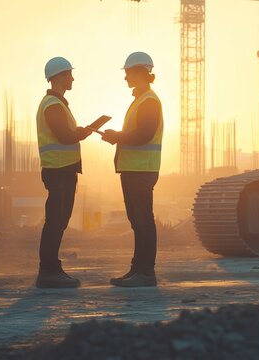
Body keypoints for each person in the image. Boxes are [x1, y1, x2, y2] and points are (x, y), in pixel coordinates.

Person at [102, 51, 163, 287]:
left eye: (127, 73)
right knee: (137, 221)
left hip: (141, 170)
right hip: (133, 169)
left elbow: (144, 135)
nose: (125, 78)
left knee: (143, 220)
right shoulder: (141, 100)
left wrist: (118, 137)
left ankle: (146, 272)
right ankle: (138, 269)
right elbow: (136, 134)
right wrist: (117, 137)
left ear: (139, 73)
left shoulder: (148, 101)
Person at [35, 56, 93, 288]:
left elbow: (64, 133)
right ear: (58, 77)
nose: (72, 78)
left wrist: (81, 131)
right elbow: (64, 136)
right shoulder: (53, 105)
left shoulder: (56, 104)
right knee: (56, 221)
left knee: (58, 221)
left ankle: (51, 268)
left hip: (61, 171)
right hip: (59, 172)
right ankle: (48, 271)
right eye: (69, 74)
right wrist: (83, 132)